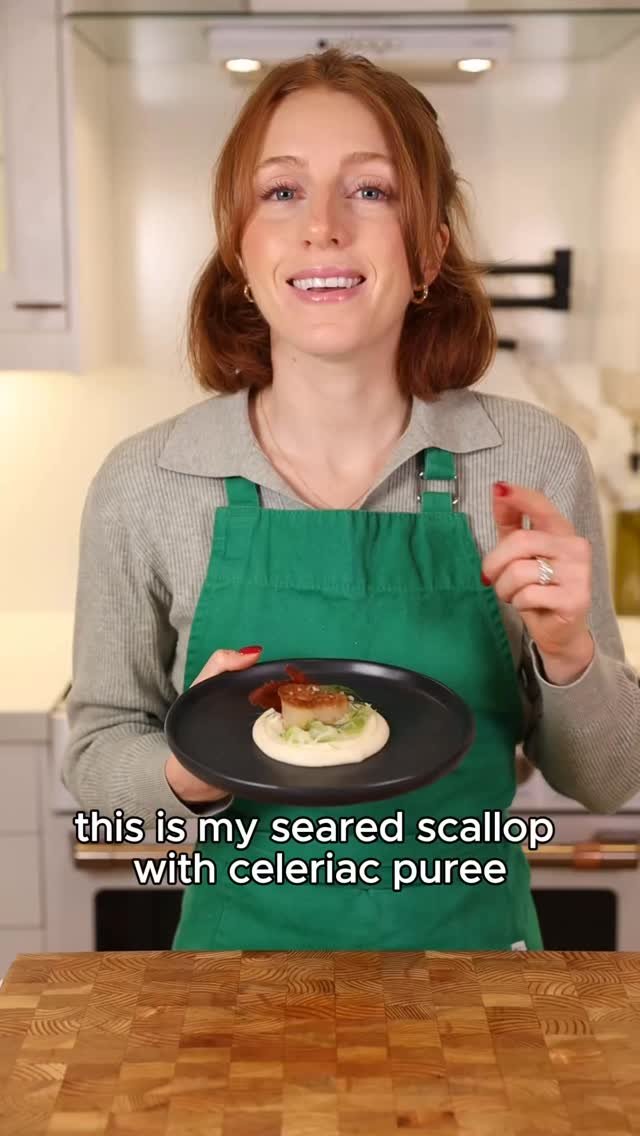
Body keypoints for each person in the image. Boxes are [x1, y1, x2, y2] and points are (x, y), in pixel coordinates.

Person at [63, 48, 640, 952]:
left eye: (371, 190)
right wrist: (188, 768)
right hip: (235, 985)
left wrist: (568, 656)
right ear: (239, 247)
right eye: (281, 192)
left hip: (477, 978)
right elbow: (96, 752)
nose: (323, 227)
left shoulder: (528, 460)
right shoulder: (148, 481)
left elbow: (607, 782)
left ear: (430, 250)